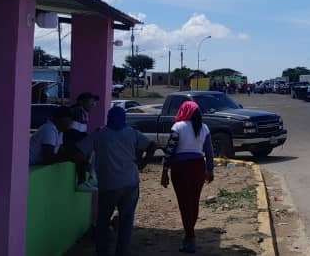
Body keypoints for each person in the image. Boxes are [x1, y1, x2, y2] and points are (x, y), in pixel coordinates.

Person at [77, 106, 156, 256]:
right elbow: (152, 145)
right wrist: (143, 163)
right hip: (131, 183)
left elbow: (80, 152)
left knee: (103, 222)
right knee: (126, 221)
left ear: (109, 118)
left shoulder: (99, 134)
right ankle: (122, 252)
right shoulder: (131, 133)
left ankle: (103, 251)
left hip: (109, 184)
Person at [161, 101, 215, 253]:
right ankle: (188, 235)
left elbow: (170, 150)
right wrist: (210, 170)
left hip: (181, 168)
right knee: (193, 201)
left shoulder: (178, 127)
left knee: (184, 203)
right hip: (198, 166)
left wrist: (165, 170)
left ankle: (190, 239)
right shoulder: (204, 128)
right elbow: (209, 152)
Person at [68, 92, 100, 191]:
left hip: (75, 142)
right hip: (70, 143)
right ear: (81, 102)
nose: (93, 104)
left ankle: (90, 177)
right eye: (91, 101)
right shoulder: (77, 111)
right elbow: (73, 133)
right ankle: (87, 179)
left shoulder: (83, 112)